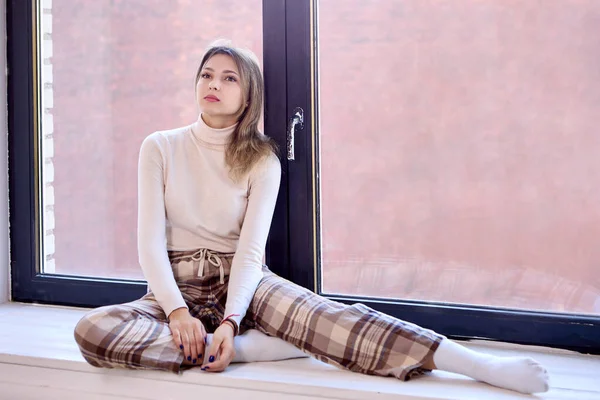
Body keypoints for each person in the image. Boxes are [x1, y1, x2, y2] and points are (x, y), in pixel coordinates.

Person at [74, 39, 549, 394]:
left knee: (335, 318)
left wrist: (231, 322)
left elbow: (250, 252)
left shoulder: (261, 160)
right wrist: (178, 312)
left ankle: (477, 364)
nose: (213, 85)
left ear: (249, 95)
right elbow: (150, 243)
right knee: (92, 331)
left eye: (229, 78)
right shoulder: (159, 146)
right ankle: (239, 347)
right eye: (206, 75)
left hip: (244, 281)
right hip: (174, 284)